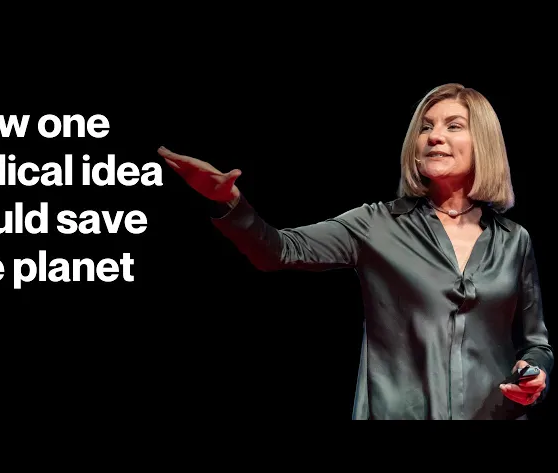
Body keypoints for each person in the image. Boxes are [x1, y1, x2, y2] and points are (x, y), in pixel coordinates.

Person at [157, 83, 553, 420]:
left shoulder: (513, 240)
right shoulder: (376, 224)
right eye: (426, 127)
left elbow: (535, 343)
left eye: (453, 126)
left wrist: (535, 373)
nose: (434, 136)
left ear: (483, 142)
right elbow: (278, 250)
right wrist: (229, 202)